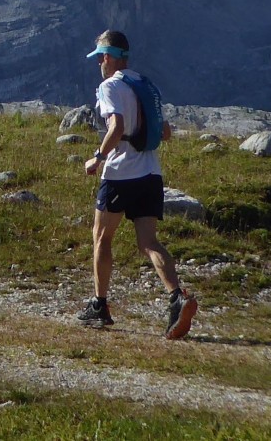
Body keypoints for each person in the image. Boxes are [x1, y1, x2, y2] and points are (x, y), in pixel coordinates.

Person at [76, 30, 196, 339]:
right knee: (148, 243)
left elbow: (115, 126)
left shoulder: (110, 86)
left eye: (101, 57)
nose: (100, 63)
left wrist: (98, 157)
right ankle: (177, 296)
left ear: (109, 57)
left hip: (119, 172)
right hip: (150, 172)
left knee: (102, 238)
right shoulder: (145, 84)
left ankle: (99, 306)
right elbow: (165, 131)